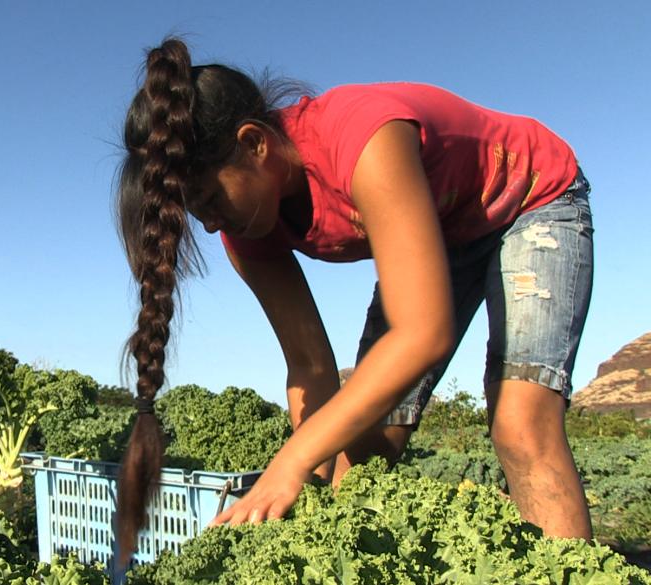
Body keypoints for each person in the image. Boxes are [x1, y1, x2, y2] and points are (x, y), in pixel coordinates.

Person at [112, 37, 594, 567]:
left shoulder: (364, 139)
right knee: (358, 447)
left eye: (207, 198)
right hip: (442, 234)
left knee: (521, 424)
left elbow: (423, 332)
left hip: (531, 200)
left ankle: (571, 574)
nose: (208, 222)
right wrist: (304, 495)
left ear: (254, 144)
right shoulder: (246, 233)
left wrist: (293, 461)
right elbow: (311, 366)